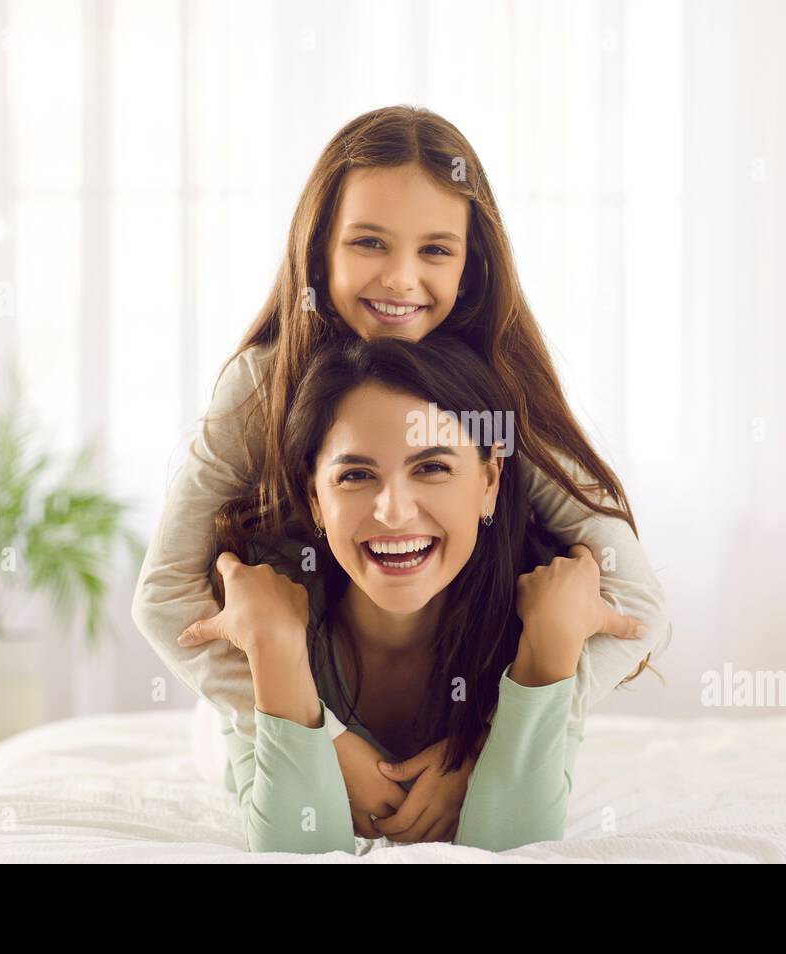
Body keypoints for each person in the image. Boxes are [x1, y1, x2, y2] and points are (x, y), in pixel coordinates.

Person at [133, 104, 671, 844]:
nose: (401, 279)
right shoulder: (264, 387)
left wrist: (487, 741)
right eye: (368, 243)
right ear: (319, 250)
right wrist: (314, 733)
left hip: (449, 680)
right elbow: (163, 595)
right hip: (294, 664)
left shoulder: (494, 395)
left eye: (436, 252)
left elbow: (637, 599)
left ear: (471, 266)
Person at [190, 333, 646, 853]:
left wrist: (550, 644)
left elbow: (512, 847)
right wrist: (273, 643)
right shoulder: (266, 599)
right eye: (356, 475)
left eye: (431, 468)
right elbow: (299, 850)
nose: (394, 512)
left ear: (490, 479)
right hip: (217, 739)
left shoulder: (543, 608)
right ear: (315, 500)